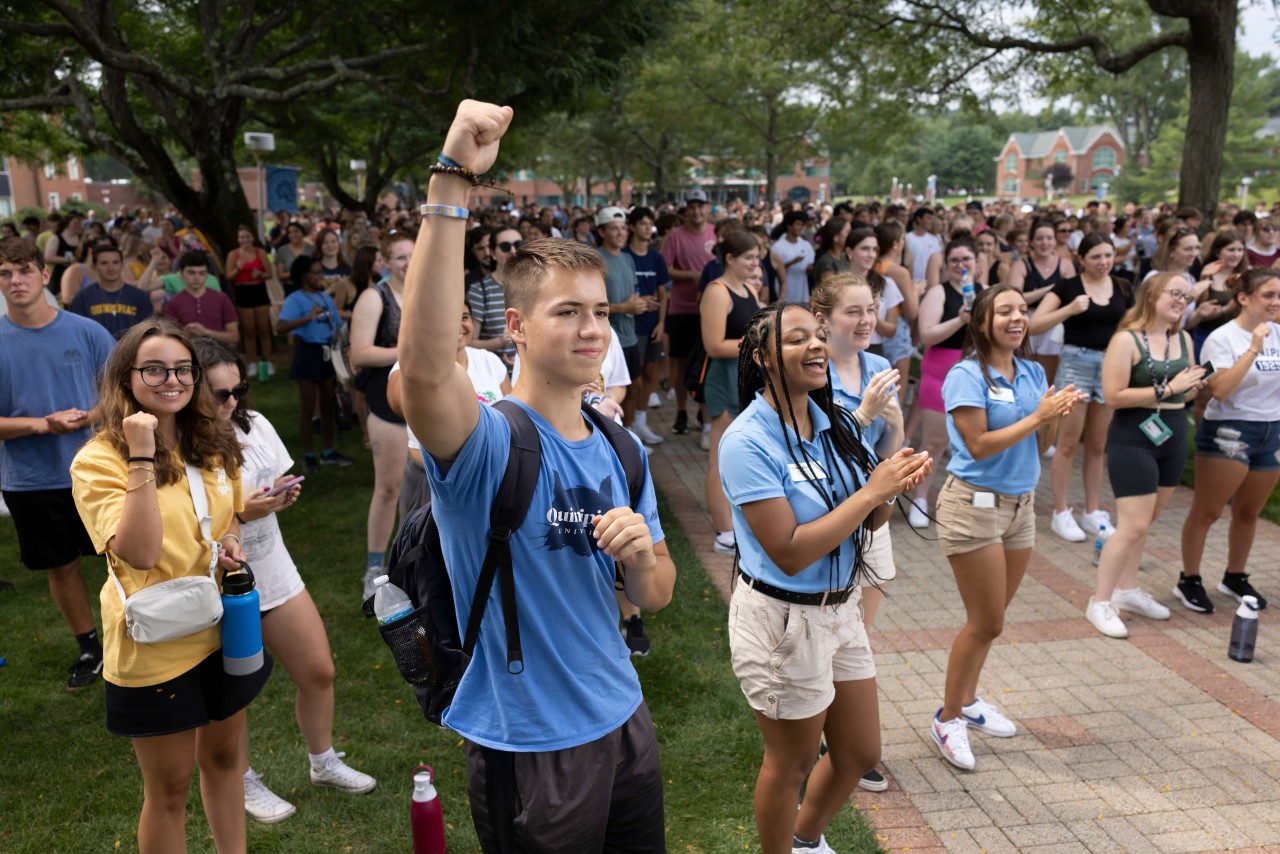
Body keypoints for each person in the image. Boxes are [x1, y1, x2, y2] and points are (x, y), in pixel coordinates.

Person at [398, 99, 675, 852]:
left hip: (624, 721)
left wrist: (643, 555)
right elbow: (423, 366)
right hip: (527, 744)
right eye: (566, 312)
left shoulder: (622, 448)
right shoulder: (487, 444)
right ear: (516, 326)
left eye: (597, 311)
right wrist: (452, 178)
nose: (592, 328)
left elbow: (655, 594)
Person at [720, 301, 930, 853]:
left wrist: (891, 485)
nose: (816, 345)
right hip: (783, 620)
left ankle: (806, 840)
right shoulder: (746, 441)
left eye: (818, 335)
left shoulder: (834, 418)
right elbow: (788, 551)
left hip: (842, 607)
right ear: (764, 358)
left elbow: (872, 517)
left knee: (860, 752)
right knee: (789, 764)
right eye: (796, 339)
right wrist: (871, 491)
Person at [70, 318, 271, 853]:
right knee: (169, 788)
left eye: (182, 368)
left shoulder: (213, 440)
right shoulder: (98, 460)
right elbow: (138, 551)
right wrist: (140, 453)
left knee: (227, 760)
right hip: (154, 643)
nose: (171, 380)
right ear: (125, 377)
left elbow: (226, 516)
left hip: (223, 630)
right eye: (154, 369)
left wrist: (230, 542)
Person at [192, 339, 375, 824]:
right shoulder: (183, 446)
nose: (232, 402)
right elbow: (182, 526)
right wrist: (242, 511)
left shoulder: (254, 424)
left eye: (239, 390)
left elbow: (279, 474)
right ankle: (243, 780)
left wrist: (277, 496)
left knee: (319, 671)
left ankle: (323, 761)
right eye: (219, 393)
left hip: (272, 569)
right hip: (216, 584)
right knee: (233, 694)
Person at [930, 285, 1082, 771]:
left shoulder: (1034, 371)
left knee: (991, 621)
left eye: (1023, 310)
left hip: (1020, 507)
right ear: (981, 321)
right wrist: (1039, 414)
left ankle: (968, 700)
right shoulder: (964, 375)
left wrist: (1054, 417)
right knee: (986, 621)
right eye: (1006, 311)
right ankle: (948, 717)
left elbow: (1040, 445)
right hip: (973, 507)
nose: (1018, 318)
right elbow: (977, 445)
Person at [0, 237, 115, 690]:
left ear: (44, 275)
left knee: (121, 557)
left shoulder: (86, 332)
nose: (15, 281)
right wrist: (41, 426)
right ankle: (89, 647)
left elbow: (122, 394)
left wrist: (89, 417)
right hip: (31, 480)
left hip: (98, 470)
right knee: (61, 565)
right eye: (5, 274)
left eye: (24, 270)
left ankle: (140, 634)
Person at [1087, 273, 1205, 638]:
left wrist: (1191, 388)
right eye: (1175, 294)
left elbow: (1182, 397)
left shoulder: (1182, 338)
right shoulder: (1126, 339)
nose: (1181, 301)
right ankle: (1100, 601)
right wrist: (1170, 387)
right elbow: (1112, 395)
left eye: (1186, 297)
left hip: (1172, 435)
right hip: (1132, 437)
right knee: (1132, 525)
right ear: (1152, 294)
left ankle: (1127, 590)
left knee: (1144, 522)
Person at [1177, 269, 1280, 613]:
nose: (1275, 302)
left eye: (1279, 296)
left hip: (1272, 430)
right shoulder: (1221, 339)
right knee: (1208, 511)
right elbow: (1219, 389)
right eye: (1268, 295)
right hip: (1229, 431)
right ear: (1243, 298)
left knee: (1249, 512)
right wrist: (1253, 348)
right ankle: (1189, 579)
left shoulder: (1278, 332)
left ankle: (1235, 576)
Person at [1027, 233, 1130, 542]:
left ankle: (1092, 510)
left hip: (1112, 364)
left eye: (1108, 255)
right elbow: (1034, 325)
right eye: (1096, 256)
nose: (1104, 262)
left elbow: (1134, 324)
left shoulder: (1123, 286)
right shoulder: (1068, 287)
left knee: (1098, 445)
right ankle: (1060, 511)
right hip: (1076, 364)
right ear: (1081, 259)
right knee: (1068, 443)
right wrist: (1069, 310)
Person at [904, 237, 983, 528]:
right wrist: (961, 320)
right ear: (946, 264)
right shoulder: (939, 292)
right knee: (935, 442)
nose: (961, 265)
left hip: (976, 375)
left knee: (973, 443)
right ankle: (920, 498)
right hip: (940, 373)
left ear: (977, 263)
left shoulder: (983, 293)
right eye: (954, 261)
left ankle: (969, 500)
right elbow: (927, 335)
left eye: (966, 259)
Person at [351, 229, 411, 598]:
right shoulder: (375, 297)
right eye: (401, 256)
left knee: (422, 491)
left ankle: (412, 560)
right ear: (385, 261)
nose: (408, 263)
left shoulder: (424, 293)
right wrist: (408, 352)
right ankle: (375, 568)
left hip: (423, 401)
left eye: (414, 255)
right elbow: (361, 353)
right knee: (389, 488)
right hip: (385, 403)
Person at [701, 231, 766, 556]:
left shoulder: (749, 289)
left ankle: (737, 522)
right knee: (720, 458)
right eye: (749, 258)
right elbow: (713, 345)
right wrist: (756, 345)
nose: (755, 263)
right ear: (729, 258)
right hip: (724, 380)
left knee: (740, 455)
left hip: (745, 379)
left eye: (757, 258)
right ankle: (723, 531)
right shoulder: (717, 291)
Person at [276, 256, 353, 472]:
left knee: (328, 404)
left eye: (321, 273)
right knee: (308, 407)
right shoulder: (295, 299)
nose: (320, 277)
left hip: (327, 353)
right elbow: (280, 327)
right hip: (307, 352)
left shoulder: (324, 298)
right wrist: (307, 318)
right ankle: (309, 455)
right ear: (303, 275)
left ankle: (328, 452)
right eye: (316, 273)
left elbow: (338, 326)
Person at [662, 190, 717, 435]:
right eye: (692, 207)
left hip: (711, 310)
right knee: (682, 363)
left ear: (708, 208)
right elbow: (666, 269)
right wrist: (692, 276)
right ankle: (681, 410)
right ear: (686, 210)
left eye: (701, 206)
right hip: (682, 308)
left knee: (707, 363)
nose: (696, 211)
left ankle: (704, 414)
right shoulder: (675, 235)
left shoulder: (715, 234)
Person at [597, 206, 656, 433]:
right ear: (602, 232)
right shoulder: (596, 261)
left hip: (630, 335)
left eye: (623, 228)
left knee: (635, 387)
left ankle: (628, 432)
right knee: (610, 389)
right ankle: (615, 433)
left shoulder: (628, 259)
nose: (620, 233)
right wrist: (625, 307)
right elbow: (591, 307)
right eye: (614, 228)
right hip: (609, 337)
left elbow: (631, 294)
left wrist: (642, 302)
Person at [624, 206, 671, 445]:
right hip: (631, 328)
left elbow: (664, 293)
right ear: (631, 226)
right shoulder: (624, 255)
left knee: (651, 375)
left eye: (649, 223)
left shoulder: (656, 257)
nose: (647, 228)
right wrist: (636, 302)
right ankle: (628, 427)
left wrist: (662, 322)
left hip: (654, 326)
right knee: (634, 381)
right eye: (642, 223)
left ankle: (642, 423)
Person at [1009, 220, 1076, 388]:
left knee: (1049, 371)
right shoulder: (1021, 265)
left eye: (1049, 238)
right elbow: (1013, 297)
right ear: (1031, 241)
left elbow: (1072, 296)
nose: (1044, 243)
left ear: (1054, 241)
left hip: (1054, 321)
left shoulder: (1065, 264)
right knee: (1024, 367)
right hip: (1026, 319)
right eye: (1039, 238)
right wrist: (1049, 290)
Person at [68, 242, 154, 339]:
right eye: (104, 263)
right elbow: (77, 333)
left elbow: (149, 332)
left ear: (122, 265)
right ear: (94, 266)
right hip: (96, 352)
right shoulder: (82, 298)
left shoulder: (139, 296)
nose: (110, 268)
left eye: (115, 262)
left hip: (130, 352)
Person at [466, 226, 520, 367]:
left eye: (518, 245)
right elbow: (469, 343)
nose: (513, 251)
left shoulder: (536, 286)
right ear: (492, 253)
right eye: (505, 246)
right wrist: (499, 342)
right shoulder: (480, 290)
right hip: (498, 380)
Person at [225, 225, 274, 378]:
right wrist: (238, 269)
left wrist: (260, 274)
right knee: (249, 331)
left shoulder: (261, 253)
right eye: (242, 237)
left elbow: (269, 274)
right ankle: (251, 362)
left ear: (252, 238)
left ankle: (268, 361)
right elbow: (229, 276)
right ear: (238, 239)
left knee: (264, 329)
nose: (245, 240)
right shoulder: (234, 254)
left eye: (247, 236)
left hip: (259, 290)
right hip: (243, 292)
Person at [163, 250, 240, 345]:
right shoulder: (174, 303)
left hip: (219, 355)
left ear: (207, 275)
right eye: (191, 273)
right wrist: (186, 334)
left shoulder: (222, 298)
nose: (196, 277)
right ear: (182, 274)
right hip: (188, 355)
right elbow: (169, 339)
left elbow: (234, 336)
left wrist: (206, 332)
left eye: (202, 273)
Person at [771, 210, 816, 304]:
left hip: (802, 295)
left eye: (802, 224)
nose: (800, 227)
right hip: (784, 297)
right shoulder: (777, 247)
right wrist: (791, 262)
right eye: (797, 224)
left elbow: (810, 266)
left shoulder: (806, 245)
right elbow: (774, 270)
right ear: (789, 225)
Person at [43, 212, 82, 298]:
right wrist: (69, 259)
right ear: (67, 224)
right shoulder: (56, 239)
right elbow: (48, 257)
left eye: (80, 222)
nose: (79, 225)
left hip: (78, 276)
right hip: (60, 277)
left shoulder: (82, 238)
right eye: (76, 223)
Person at [274, 222, 314, 288]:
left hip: (310, 287)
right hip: (290, 287)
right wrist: (297, 272)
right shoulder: (282, 250)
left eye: (296, 231)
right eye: (290, 232)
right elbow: (280, 275)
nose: (293, 235)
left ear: (302, 232)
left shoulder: (312, 249)